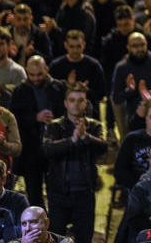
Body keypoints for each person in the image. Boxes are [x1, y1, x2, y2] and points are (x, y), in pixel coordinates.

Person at [41, 83, 106, 243]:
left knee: (84, 237)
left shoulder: (94, 126)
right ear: (65, 103)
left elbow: (103, 148)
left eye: (80, 100)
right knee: (55, 237)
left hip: (85, 192)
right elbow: (48, 150)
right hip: (59, 193)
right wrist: (73, 140)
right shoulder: (55, 126)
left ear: (86, 103)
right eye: (72, 100)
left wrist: (86, 137)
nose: (76, 104)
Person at [9, 55, 66, 207]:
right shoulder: (20, 91)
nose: (35, 78)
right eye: (31, 75)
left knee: (57, 189)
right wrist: (35, 117)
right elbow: (14, 119)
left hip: (55, 147)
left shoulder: (59, 88)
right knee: (34, 192)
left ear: (46, 69)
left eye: (39, 74)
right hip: (31, 150)